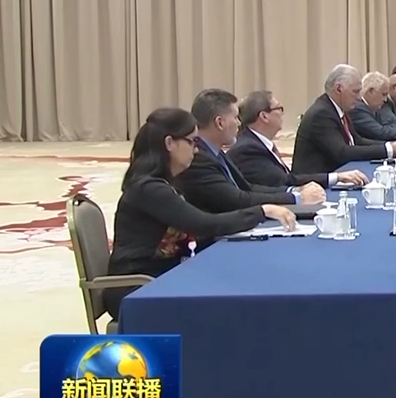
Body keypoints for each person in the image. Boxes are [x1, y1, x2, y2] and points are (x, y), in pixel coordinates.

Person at [104, 108, 295, 321]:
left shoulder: (164, 183)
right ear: (169, 143)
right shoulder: (149, 188)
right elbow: (203, 224)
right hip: (138, 288)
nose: (196, 150)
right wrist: (262, 211)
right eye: (192, 141)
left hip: (162, 277)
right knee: (233, 302)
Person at [176, 89, 326, 217]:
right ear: (220, 123)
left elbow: (248, 188)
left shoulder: (215, 151)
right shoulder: (197, 157)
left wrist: (294, 191)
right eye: (235, 118)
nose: (239, 123)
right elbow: (237, 200)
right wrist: (296, 198)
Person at [227, 90, 369, 189]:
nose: (282, 114)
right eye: (279, 108)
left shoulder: (256, 142)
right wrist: (335, 177)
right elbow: (283, 181)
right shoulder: (248, 149)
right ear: (264, 116)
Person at [291, 64, 396, 175]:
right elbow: (342, 152)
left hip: (339, 173)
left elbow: (356, 140)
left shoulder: (338, 108)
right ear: (338, 89)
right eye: (355, 92)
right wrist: (388, 149)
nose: (358, 97)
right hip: (315, 182)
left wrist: (390, 145)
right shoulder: (321, 114)